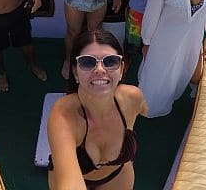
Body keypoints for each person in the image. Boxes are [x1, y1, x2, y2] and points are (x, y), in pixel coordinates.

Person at [47, 29, 147, 190]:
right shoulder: (63, 115)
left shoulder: (133, 98)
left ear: (121, 69)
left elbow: (143, 109)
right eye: (87, 62)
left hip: (118, 178)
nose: (100, 69)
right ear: (75, 72)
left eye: (110, 61)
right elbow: (69, 182)